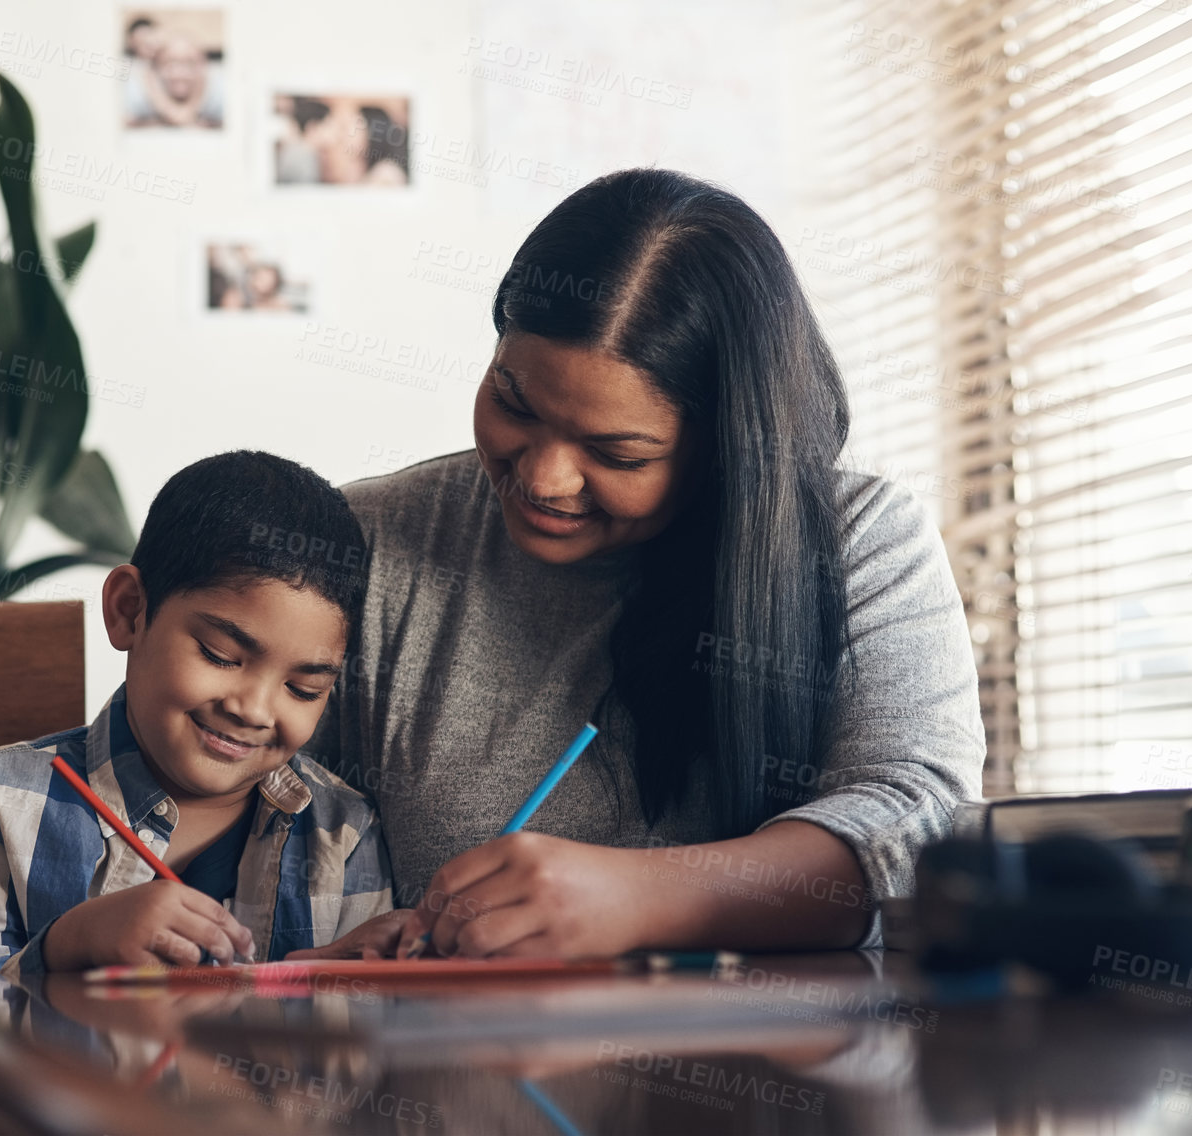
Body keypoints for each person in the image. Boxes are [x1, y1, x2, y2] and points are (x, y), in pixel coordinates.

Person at [292, 169, 985, 961]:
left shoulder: (865, 541)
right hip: (443, 1067)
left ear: (725, 451)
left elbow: (915, 822)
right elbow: (239, 812)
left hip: (781, 1073)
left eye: (617, 452)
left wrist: (639, 895)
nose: (544, 477)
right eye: (514, 403)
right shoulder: (370, 539)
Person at [0, 452, 392, 976]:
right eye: (219, 656)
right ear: (128, 610)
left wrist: (323, 985)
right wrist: (69, 945)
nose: (253, 709)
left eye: (303, 689)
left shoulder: (344, 835)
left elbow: (353, 1047)